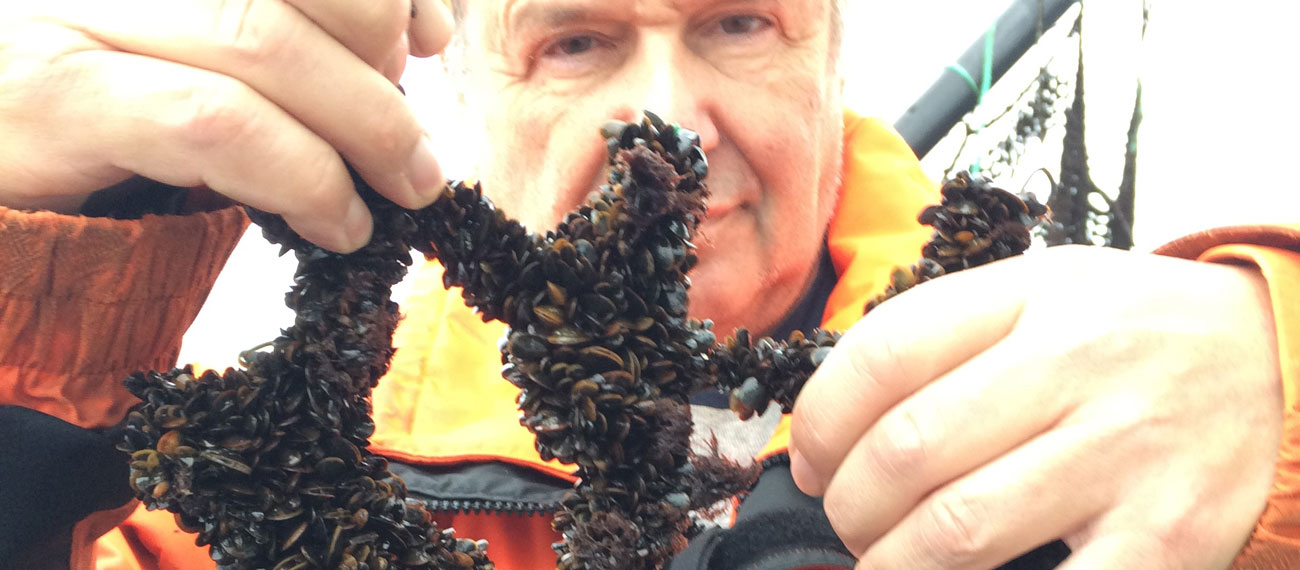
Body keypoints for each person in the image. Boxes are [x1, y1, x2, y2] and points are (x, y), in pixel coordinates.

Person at [0, 1, 1294, 570]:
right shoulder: (273, 488)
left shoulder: (1111, 395)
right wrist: (35, 262)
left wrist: (1277, 381)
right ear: (459, 100)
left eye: (737, 23)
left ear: (830, 53)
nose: (669, 125)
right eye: (577, 43)